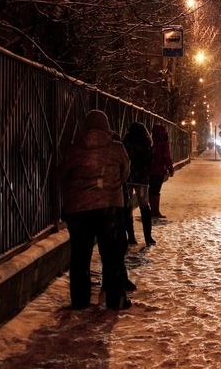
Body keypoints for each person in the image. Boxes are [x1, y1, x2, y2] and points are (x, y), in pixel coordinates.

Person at [57, 109, 131, 310]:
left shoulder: (75, 149)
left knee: (80, 256)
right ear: (106, 126)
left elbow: (62, 175)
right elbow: (125, 172)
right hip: (109, 208)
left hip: (79, 210)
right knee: (112, 255)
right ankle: (116, 300)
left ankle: (80, 300)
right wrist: (109, 186)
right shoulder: (116, 148)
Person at [122, 122, 155, 246]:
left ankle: (131, 237)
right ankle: (148, 237)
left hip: (129, 177)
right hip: (141, 178)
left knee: (128, 206)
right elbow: (150, 160)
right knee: (144, 206)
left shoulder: (126, 140)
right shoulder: (146, 142)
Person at [148, 124, 174, 219]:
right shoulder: (163, 143)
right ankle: (155, 210)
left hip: (150, 170)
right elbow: (166, 156)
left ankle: (152, 210)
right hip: (159, 170)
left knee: (151, 190)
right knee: (156, 190)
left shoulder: (151, 141)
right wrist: (170, 168)